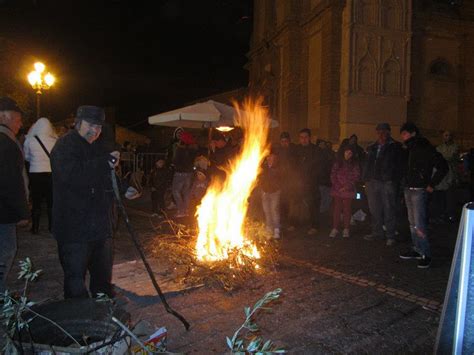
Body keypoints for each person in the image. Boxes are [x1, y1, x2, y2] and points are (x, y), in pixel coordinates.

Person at [51, 105, 120, 298]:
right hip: (74, 229)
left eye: (99, 127)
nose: (95, 131)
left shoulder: (98, 147)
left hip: (100, 227)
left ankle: (104, 316)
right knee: (75, 281)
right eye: (91, 125)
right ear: (78, 123)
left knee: (102, 279)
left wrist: (123, 188)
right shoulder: (64, 146)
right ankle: (78, 319)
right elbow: (71, 175)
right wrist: (103, 162)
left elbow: (106, 177)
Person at [399, 122, 448, 269]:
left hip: (419, 190)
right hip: (409, 188)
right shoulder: (408, 149)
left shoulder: (425, 147)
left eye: (405, 134)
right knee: (412, 222)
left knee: (419, 223)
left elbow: (442, 166)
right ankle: (417, 249)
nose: (403, 137)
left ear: (413, 133)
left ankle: (426, 253)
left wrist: (432, 184)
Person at [0, 97, 29, 293]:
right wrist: (22, 211)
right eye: (17, 119)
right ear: (3, 116)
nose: (20, 124)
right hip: (4, 211)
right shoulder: (6, 143)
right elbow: (12, 181)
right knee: (6, 251)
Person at [363, 123, 404, 246]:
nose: (382, 134)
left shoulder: (395, 147)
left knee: (389, 208)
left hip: (387, 181)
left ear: (389, 132)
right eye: (379, 131)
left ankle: (390, 235)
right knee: (374, 209)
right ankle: (377, 233)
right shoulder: (372, 147)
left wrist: (393, 178)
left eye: (384, 131)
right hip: (373, 181)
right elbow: (367, 163)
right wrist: (366, 178)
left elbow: (399, 165)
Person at [23, 117, 58, 234]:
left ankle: (35, 227)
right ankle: (52, 227)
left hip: (35, 173)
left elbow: (26, 157)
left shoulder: (30, 140)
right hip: (50, 173)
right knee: (51, 202)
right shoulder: (54, 140)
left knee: (36, 201)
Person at [294, 128, 322, 235]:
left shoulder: (315, 150)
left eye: (305, 137)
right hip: (298, 182)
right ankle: (295, 223)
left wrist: (313, 178)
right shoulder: (297, 150)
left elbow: (318, 166)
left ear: (309, 138)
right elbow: (293, 164)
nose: (303, 139)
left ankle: (314, 226)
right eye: (301, 137)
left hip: (311, 183)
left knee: (312, 205)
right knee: (296, 204)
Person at [329, 146, 360, 238]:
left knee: (347, 209)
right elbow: (333, 174)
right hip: (337, 189)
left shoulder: (354, 164)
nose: (348, 154)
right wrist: (338, 186)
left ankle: (346, 228)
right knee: (337, 209)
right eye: (346, 152)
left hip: (348, 190)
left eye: (350, 153)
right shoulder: (337, 163)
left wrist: (347, 186)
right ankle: (335, 228)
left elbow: (356, 176)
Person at [432, 130, 460, 222]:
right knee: (441, 196)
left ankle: (450, 214)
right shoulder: (439, 147)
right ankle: (442, 214)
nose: (447, 137)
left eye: (448, 135)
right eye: (445, 135)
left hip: (451, 173)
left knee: (450, 196)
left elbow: (450, 157)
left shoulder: (455, 147)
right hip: (443, 175)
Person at [171, 131, 197, 217]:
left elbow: (175, 161)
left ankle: (181, 211)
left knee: (176, 191)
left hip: (180, 173)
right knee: (186, 192)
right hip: (189, 173)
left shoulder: (180, 149)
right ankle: (186, 210)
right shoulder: (193, 149)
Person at [275, 132, 296, 231]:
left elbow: (296, 165)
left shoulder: (293, 151)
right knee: (281, 204)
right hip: (280, 182)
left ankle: (291, 223)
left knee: (290, 204)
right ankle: (282, 222)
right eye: (282, 141)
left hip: (291, 182)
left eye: (286, 141)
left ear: (289, 141)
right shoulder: (278, 151)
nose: (284, 143)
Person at [259, 151, 281, 240]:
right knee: (267, 211)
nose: (269, 158)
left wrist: (276, 188)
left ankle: (276, 230)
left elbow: (281, 179)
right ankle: (269, 229)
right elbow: (260, 178)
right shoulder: (263, 167)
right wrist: (262, 188)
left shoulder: (278, 167)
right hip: (265, 192)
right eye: (268, 156)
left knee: (274, 211)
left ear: (274, 157)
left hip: (274, 193)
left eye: (271, 156)